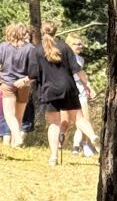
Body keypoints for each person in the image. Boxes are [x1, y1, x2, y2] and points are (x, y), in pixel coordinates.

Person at [32, 21, 98, 165]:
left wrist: (24, 81)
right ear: (56, 31)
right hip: (68, 87)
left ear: (42, 31)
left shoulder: (37, 50)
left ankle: (53, 157)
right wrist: (87, 85)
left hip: (49, 90)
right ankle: (92, 136)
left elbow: (33, 74)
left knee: (54, 123)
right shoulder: (64, 47)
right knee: (79, 118)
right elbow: (77, 69)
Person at [0, 23, 36, 148]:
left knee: (9, 114)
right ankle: (14, 144)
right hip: (24, 84)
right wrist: (25, 80)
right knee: (19, 115)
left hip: (7, 83)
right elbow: (34, 69)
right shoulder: (30, 48)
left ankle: (17, 137)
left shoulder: (4, 46)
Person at [65, 35, 96, 156]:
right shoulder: (65, 58)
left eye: (80, 44)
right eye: (75, 44)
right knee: (69, 121)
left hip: (81, 91)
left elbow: (82, 77)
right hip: (69, 91)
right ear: (69, 44)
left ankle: (78, 145)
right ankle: (64, 145)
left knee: (85, 119)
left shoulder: (80, 59)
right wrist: (89, 86)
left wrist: (87, 87)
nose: (79, 46)